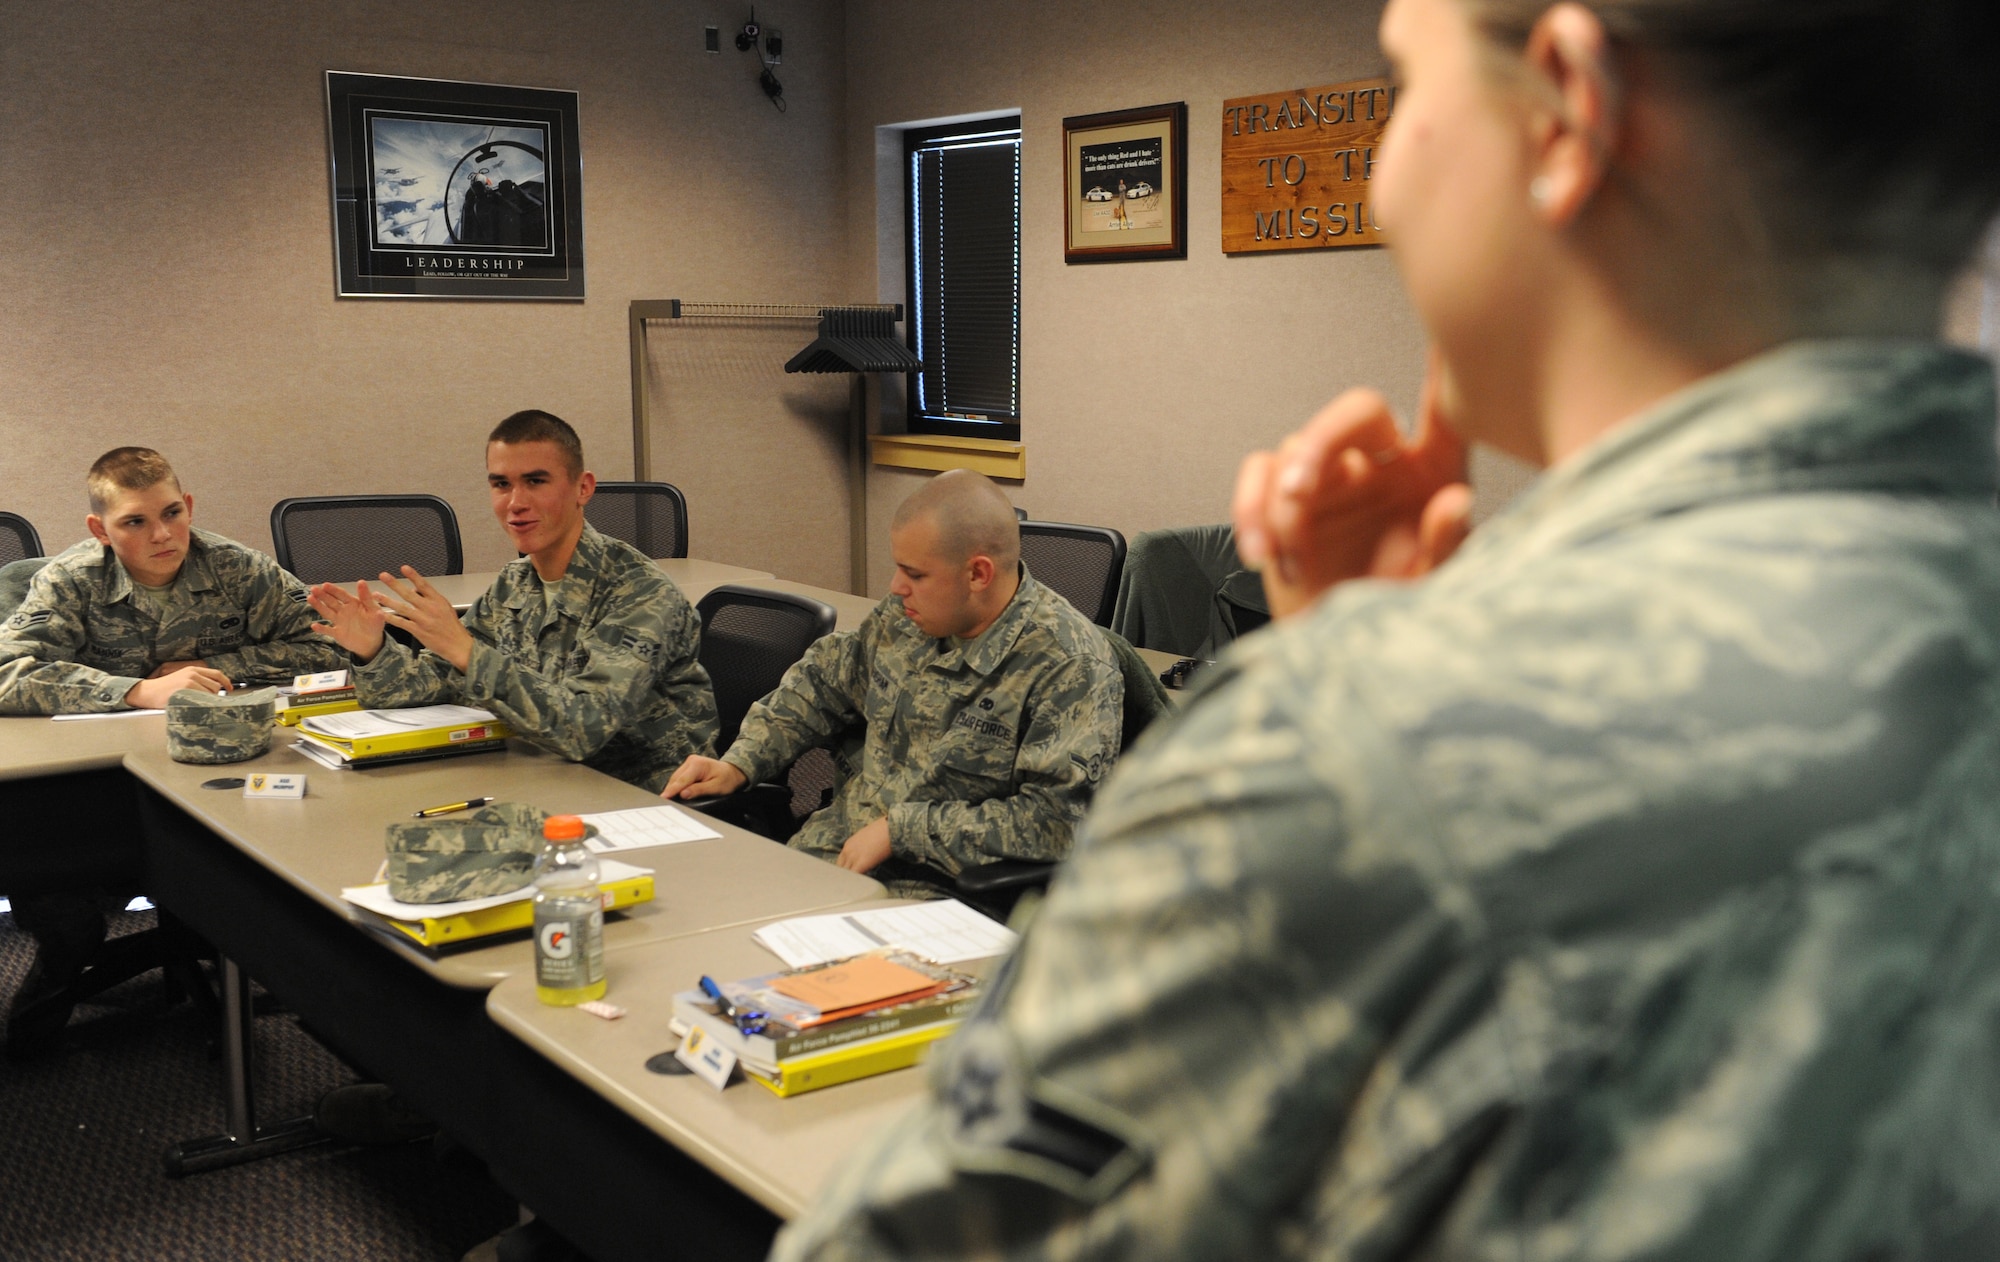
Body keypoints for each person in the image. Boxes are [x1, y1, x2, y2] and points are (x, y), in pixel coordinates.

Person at [772, 0, 2000, 1258]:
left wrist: (1318, 712)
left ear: (1566, 110)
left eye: (1404, 85)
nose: (1385, 178)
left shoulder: (1368, 731)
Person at [0, 446, 344, 1057]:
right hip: (94, 784)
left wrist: (218, 665)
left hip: (220, 773)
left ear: (187, 505)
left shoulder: (236, 568)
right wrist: (135, 690)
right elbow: (5, 671)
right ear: (99, 530)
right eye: (135, 521)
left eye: (171, 513)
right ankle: (60, 971)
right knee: (58, 894)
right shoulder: (72, 581)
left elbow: (329, 647)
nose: (161, 534)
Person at [663, 470, 1120, 895]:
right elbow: (818, 687)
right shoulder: (905, 617)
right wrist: (740, 763)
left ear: (978, 574)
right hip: (829, 859)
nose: (896, 586)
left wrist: (903, 830)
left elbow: (1056, 823)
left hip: (937, 893)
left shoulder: (1067, 664)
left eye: (916, 574)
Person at [307, 410, 717, 793]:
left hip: (641, 798)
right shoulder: (515, 584)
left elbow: (584, 730)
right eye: (501, 484)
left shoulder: (640, 593)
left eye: (536, 481)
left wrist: (467, 651)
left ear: (583, 488)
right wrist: (373, 652)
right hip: (541, 779)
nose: (515, 503)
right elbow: (434, 687)